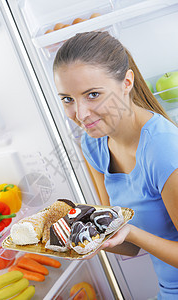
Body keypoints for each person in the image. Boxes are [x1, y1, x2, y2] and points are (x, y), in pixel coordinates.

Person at [53, 31, 178, 299]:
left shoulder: (163, 149)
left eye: (93, 94)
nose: (81, 114)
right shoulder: (93, 145)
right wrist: (77, 239)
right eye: (67, 99)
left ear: (127, 82)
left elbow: (130, 234)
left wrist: (131, 231)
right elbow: (125, 243)